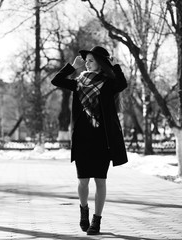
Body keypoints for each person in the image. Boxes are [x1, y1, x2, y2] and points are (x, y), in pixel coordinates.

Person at [51, 46, 128, 235]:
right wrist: (72, 67)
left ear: (101, 64)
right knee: (83, 181)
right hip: (83, 139)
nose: (87, 62)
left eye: (91, 60)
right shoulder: (79, 83)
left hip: (103, 140)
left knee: (100, 181)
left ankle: (97, 220)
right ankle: (84, 210)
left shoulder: (109, 84)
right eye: (87, 60)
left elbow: (122, 84)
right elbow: (57, 80)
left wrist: (115, 65)